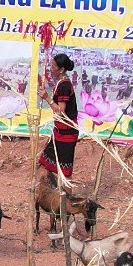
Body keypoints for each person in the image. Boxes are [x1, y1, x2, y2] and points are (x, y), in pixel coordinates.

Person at [39, 52, 80, 181]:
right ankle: (51, 191)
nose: (50, 68)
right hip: (60, 130)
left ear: (61, 69)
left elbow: (61, 111)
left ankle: (67, 198)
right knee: (48, 162)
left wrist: (47, 98)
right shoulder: (61, 82)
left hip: (67, 132)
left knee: (66, 171)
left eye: (53, 66)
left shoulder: (64, 85)